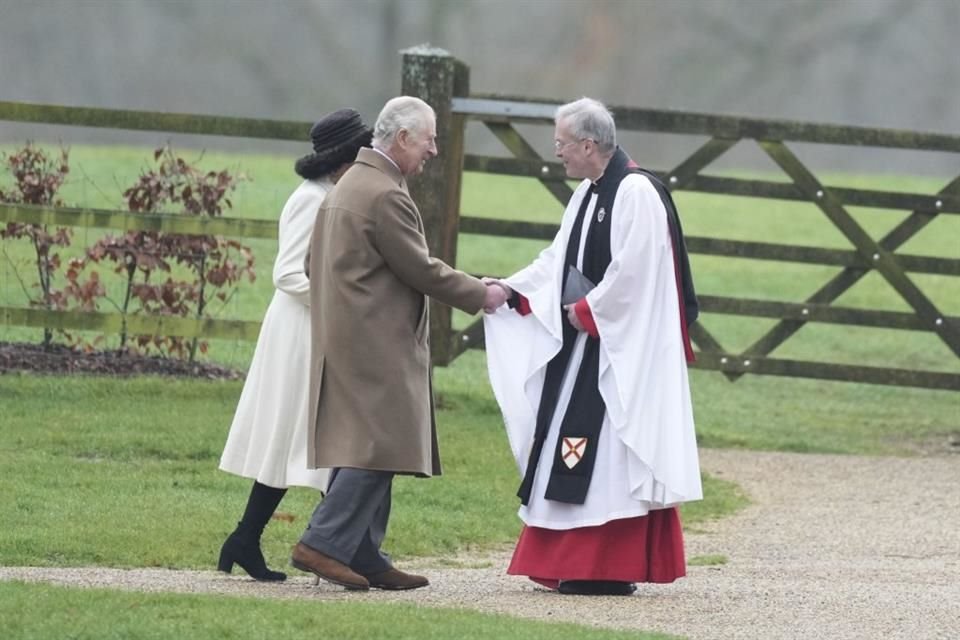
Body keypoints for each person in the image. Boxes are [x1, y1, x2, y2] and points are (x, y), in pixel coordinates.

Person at [482, 97, 702, 596]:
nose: (556, 153)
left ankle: (606, 565)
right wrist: (510, 290)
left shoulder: (637, 193)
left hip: (620, 354)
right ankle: (572, 562)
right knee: (570, 447)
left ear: (587, 144)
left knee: (608, 456)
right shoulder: (586, 193)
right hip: (585, 348)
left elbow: (638, 273)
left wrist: (585, 312)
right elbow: (557, 262)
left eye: (561, 144)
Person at [289, 96, 508, 591]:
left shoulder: (347, 186)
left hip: (346, 337)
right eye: (429, 139)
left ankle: (363, 552)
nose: (433, 149)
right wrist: (483, 293)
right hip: (376, 343)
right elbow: (420, 268)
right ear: (403, 138)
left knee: (368, 444)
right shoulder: (384, 193)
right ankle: (322, 543)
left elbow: (310, 264)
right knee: (380, 446)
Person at [217, 108, 373, 581]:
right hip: (300, 331)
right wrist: (343, 302)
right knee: (301, 435)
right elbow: (287, 274)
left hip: (316, 327)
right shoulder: (312, 199)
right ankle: (332, 548)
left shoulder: (333, 194)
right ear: (343, 157)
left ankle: (254, 539)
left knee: (307, 438)